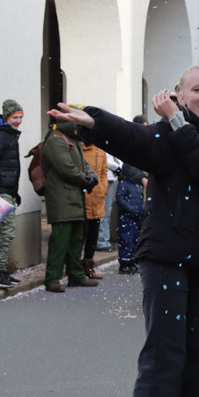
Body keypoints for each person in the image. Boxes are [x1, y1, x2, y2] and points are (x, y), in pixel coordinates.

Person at [49, 66, 199, 397]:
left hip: (196, 264)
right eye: (196, 89)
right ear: (180, 96)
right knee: (163, 357)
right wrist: (94, 119)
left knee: (192, 357)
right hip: (164, 259)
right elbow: (135, 140)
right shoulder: (168, 136)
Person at [41, 118, 99, 293]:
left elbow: (84, 164)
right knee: (60, 240)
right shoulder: (55, 140)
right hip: (60, 197)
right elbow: (66, 168)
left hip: (74, 197)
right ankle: (52, 278)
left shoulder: (73, 141)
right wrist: (85, 180)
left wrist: (91, 177)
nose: (79, 129)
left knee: (76, 239)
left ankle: (76, 275)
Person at [0, 99, 24, 289]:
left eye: (20, 117)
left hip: (8, 191)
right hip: (0, 192)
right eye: (15, 117)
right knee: (8, 231)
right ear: (7, 117)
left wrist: (14, 192)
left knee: (7, 231)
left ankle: (1, 271)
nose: (18, 121)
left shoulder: (9, 135)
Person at [81, 138, 109, 280]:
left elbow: (104, 171)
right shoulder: (78, 147)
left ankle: (88, 265)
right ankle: (76, 267)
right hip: (83, 196)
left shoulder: (100, 148)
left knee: (93, 234)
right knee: (82, 233)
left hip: (97, 197)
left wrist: (103, 189)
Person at [115, 163, 146, 275]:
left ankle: (132, 262)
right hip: (126, 218)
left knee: (134, 241)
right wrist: (131, 209)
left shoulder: (136, 186)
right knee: (126, 241)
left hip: (136, 218)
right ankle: (124, 264)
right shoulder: (124, 184)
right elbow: (120, 199)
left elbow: (140, 200)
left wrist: (142, 211)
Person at [97, 151, 121, 253]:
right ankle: (101, 241)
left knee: (107, 211)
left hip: (111, 177)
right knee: (103, 211)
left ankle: (104, 240)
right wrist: (117, 167)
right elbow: (103, 160)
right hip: (104, 177)